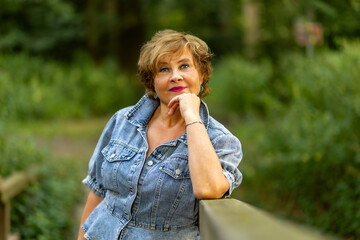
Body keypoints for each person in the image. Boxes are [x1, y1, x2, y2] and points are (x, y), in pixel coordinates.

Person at [77, 29, 243, 240]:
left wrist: (192, 116)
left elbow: (208, 188)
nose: (176, 76)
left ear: (201, 75)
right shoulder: (122, 121)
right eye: (164, 69)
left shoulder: (221, 140)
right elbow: (97, 191)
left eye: (184, 66)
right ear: (152, 82)